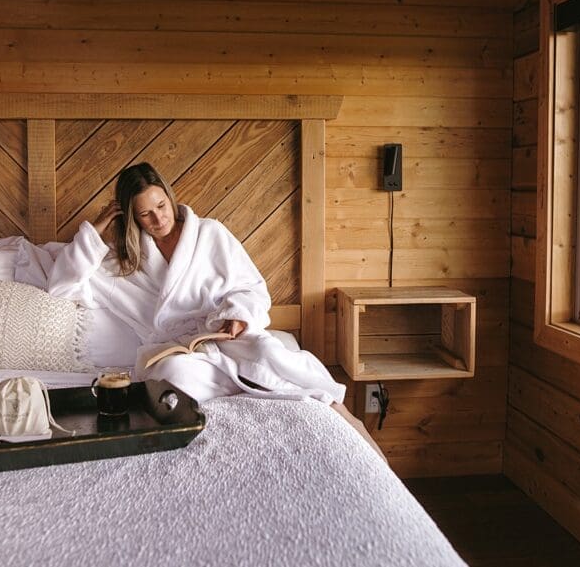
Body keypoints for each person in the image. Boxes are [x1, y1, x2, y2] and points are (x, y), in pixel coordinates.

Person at [46, 162, 383, 459]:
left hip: (222, 332)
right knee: (173, 377)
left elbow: (252, 288)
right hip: (176, 349)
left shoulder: (209, 234)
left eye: (161, 205)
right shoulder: (124, 262)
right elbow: (61, 284)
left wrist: (237, 315)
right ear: (130, 216)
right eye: (145, 213)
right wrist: (96, 228)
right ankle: (252, 384)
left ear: (169, 195)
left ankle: (337, 407)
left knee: (268, 351)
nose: (158, 218)